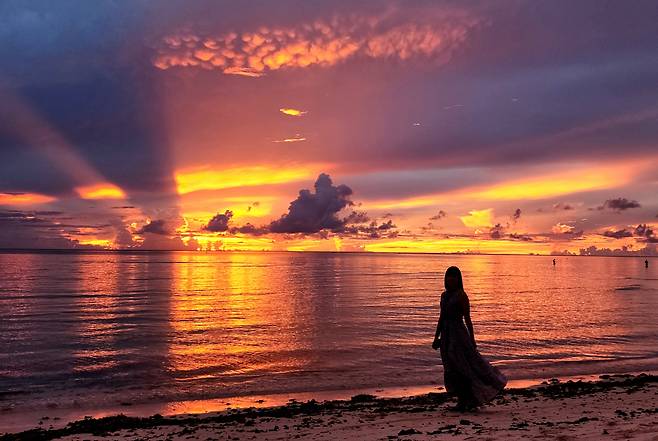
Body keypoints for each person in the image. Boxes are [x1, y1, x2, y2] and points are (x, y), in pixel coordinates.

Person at [432, 266, 507, 411]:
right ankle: (462, 400)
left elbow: (467, 319)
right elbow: (441, 318)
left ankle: (469, 399)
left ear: (459, 279)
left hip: (459, 335)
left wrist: (472, 340)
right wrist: (436, 336)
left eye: (454, 276)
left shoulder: (462, 295)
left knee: (464, 366)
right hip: (447, 335)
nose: (451, 279)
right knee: (451, 368)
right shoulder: (444, 295)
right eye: (449, 276)